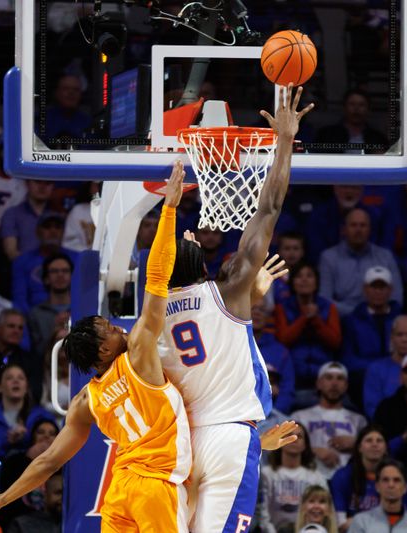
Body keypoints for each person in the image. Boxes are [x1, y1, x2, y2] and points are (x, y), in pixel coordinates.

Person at [0, 161, 194, 531]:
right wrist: (169, 211)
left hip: (120, 492)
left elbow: (49, 461)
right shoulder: (139, 357)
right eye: (108, 328)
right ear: (103, 350)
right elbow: (158, 278)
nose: (117, 326)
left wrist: (3, 499)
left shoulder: (87, 401)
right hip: (154, 486)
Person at [153, 85, 314, 532]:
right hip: (228, 439)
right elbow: (269, 208)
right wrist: (283, 140)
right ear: (201, 264)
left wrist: (250, 298)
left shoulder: (152, 314)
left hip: (183, 443)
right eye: (187, 239)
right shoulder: (227, 289)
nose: (190, 234)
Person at [318, 208, 402, 318]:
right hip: (342, 320)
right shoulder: (328, 257)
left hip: (379, 318)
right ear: (343, 230)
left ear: (370, 230)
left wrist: (375, 313)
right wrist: (360, 314)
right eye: (353, 225)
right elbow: (325, 300)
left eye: (363, 225)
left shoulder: (385, 256)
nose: (358, 230)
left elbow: (396, 299)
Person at [291, 362, 367, 479]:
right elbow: (286, 447)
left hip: (348, 480)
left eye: (340, 378)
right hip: (309, 477)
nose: (334, 383)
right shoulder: (299, 417)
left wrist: (356, 444)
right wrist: (313, 451)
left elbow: (373, 449)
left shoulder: (359, 420)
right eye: (329, 377)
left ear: (346, 385)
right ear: (318, 383)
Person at [340, 266, 400, 410]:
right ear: (365, 289)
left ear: (390, 289)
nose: (378, 291)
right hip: (364, 376)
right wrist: (377, 367)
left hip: (397, 373)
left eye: (382, 287)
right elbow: (347, 359)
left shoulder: (401, 318)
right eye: (374, 287)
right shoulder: (352, 321)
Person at [0, 364, 53, 473]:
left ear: (26, 387)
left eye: (21, 378)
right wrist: (6, 441)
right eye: (9, 378)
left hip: (33, 473)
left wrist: (26, 442)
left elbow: (53, 448)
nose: (16, 381)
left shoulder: (42, 416)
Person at [274, 263, 341, 390]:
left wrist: (316, 319)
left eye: (309, 276)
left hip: (323, 370)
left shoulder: (328, 307)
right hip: (292, 370)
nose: (304, 280)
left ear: (317, 282)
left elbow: (335, 342)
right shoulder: (282, 307)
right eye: (299, 276)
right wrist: (304, 318)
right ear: (292, 282)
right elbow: (283, 340)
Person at [258, 425, 327, 533]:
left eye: (299, 436)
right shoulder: (266, 474)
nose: (294, 439)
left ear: (305, 445)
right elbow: (262, 511)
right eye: (289, 435)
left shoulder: (316, 477)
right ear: (279, 441)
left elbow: (326, 509)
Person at [0, 420, 59, 529]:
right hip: (18, 523)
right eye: (41, 432)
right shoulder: (15, 460)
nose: (46, 436)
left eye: (52, 433)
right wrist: (29, 458)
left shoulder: (65, 466)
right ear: (32, 437)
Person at [329, 425, 388, 531]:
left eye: (379, 441)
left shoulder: (395, 478)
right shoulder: (342, 476)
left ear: (385, 448)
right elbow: (341, 523)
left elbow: (401, 519)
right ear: (359, 447)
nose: (375, 444)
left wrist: (357, 521)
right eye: (369, 440)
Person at [347, 459, 407, 533]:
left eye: (396, 480)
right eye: (385, 480)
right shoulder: (361, 521)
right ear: (377, 486)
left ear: (405, 488)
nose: (391, 485)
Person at [27, 253, 72, 359]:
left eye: (65, 271)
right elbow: (36, 352)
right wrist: (55, 330)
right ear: (46, 278)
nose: (60, 275)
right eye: (54, 271)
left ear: (72, 277)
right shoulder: (36, 314)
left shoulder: (83, 309)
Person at [0, 181, 55, 261]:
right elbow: (11, 252)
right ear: (27, 184)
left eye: (48, 183)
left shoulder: (58, 216)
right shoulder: (12, 214)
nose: (42, 187)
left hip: (54, 269)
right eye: (37, 182)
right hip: (22, 269)